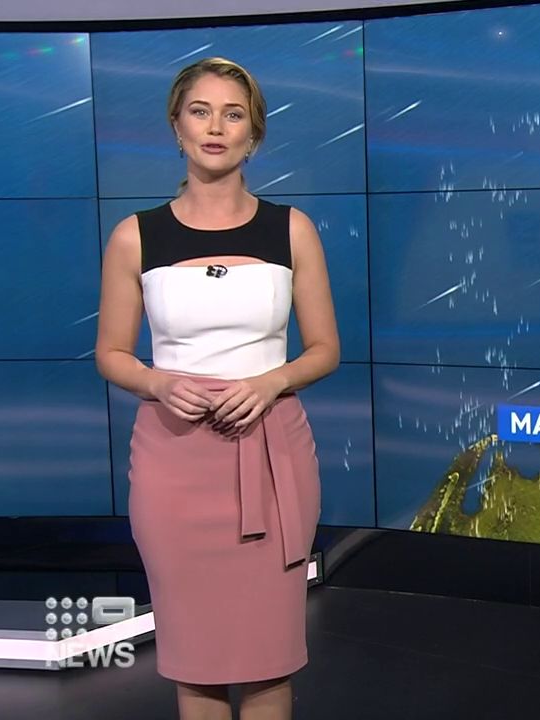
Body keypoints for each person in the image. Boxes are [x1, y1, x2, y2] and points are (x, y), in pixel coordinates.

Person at [95, 56, 339, 720]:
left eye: (233, 115)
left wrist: (272, 381)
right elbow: (111, 354)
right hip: (174, 464)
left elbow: (325, 349)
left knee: (268, 661)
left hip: (272, 456)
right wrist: (156, 381)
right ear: (176, 125)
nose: (215, 127)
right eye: (200, 111)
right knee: (195, 665)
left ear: (253, 134)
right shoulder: (134, 237)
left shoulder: (292, 230)